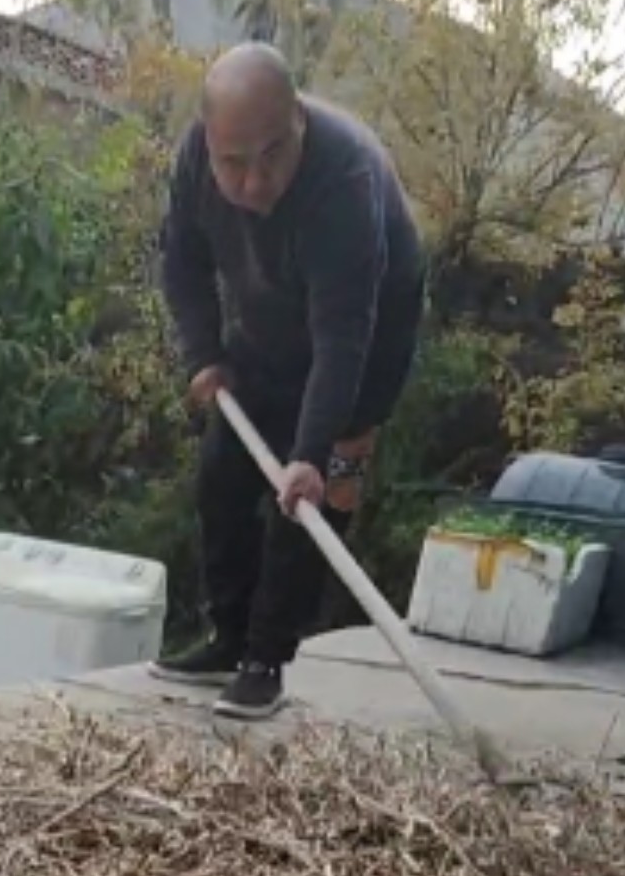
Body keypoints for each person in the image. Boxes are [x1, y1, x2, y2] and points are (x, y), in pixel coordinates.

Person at [150, 42, 426, 720]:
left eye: (271, 154)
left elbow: (342, 338)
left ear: (298, 118)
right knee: (222, 476)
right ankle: (227, 635)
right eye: (233, 163)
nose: (253, 182)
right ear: (208, 144)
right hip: (268, 323)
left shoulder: (346, 181)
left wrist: (312, 453)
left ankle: (266, 659)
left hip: (362, 342)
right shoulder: (194, 161)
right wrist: (204, 355)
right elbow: (182, 264)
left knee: (307, 504)